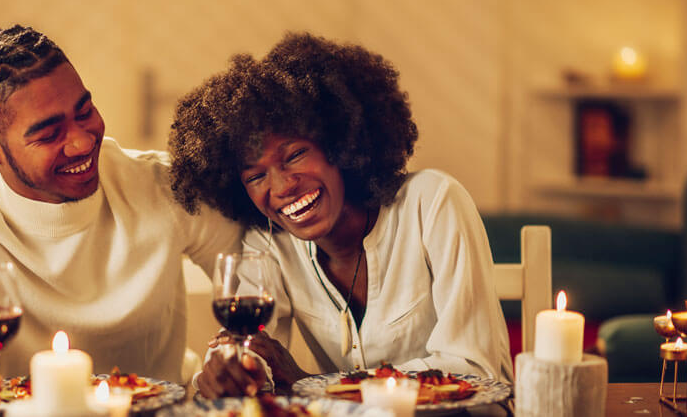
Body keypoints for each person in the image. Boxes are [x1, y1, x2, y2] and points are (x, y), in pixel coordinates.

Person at [0, 25, 242, 417]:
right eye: (48, 134)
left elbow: (260, 277)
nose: (81, 141)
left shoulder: (164, 188)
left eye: (85, 112)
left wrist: (239, 359)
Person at [167, 32, 513, 398]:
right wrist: (230, 366)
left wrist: (313, 385)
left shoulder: (433, 202)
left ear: (339, 144)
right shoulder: (268, 244)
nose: (282, 187)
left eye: (295, 155)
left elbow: (473, 370)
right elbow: (252, 348)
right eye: (255, 176)